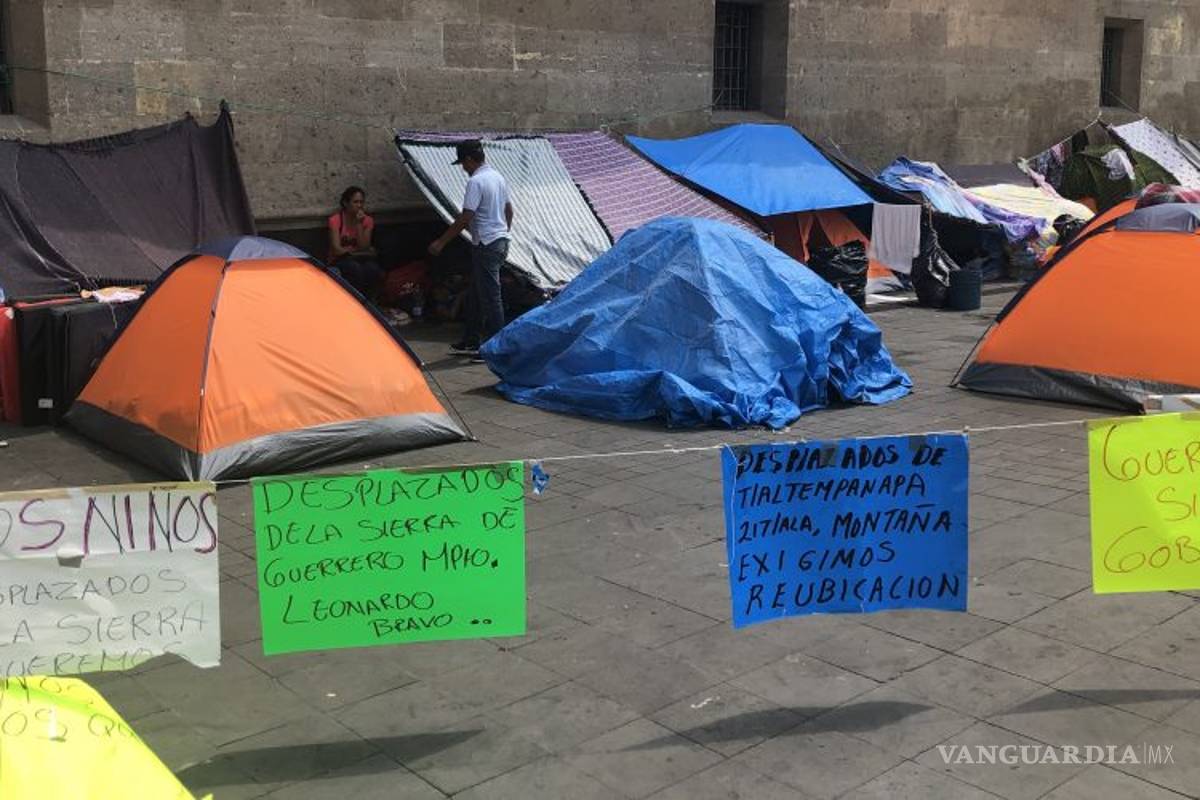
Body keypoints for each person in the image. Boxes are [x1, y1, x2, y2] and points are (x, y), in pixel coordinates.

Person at [428, 140, 513, 357]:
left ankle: (496, 348)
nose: (463, 169)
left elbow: (466, 217)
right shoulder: (498, 177)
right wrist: (505, 232)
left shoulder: (476, 181)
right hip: (499, 241)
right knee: (476, 294)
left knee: (491, 297)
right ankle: (470, 339)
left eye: (463, 164)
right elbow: (509, 210)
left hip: (486, 244)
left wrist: (441, 241)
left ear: (468, 160)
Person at [328, 186, 383, 300]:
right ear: (346, 203)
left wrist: (359, 224)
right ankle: (355, 300)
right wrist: (354, 251)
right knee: (354, 269)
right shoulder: (336, 220)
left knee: (373, 269)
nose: (359, 205)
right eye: (355, 202)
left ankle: (369, 302)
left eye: (361, 202)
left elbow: (364, 246)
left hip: (361, 258)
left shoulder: (367, 221)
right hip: (341, 260)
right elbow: (337, 249)